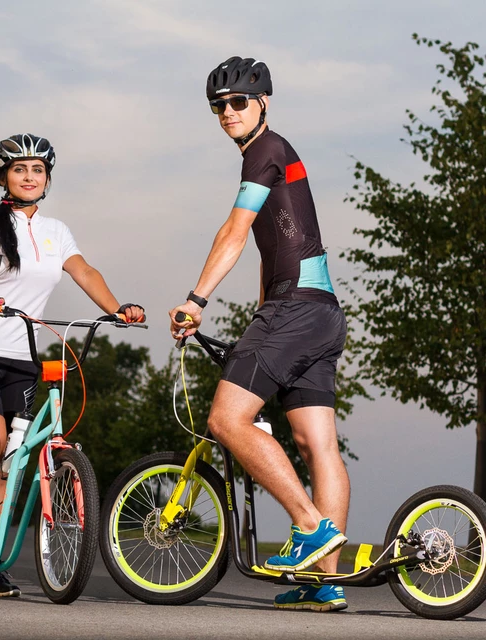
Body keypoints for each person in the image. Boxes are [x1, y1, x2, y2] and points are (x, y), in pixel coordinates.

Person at [169, 58, 349, 612]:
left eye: (238, 102)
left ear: (263, 102)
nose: (227, 113)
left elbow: (236, 230)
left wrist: (197, 299)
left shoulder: (265, 151)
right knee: (316, 445)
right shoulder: (276, 156)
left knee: (226, 420)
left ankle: (309, 526)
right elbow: (278, 243)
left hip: (294, 311)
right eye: (218, 106)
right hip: (320, 312)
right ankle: (325, 583)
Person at [0, 133, 144, 597]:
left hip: (22, 359)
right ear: (4, 177)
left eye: (37, 170)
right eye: (19, 170)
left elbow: (84, 271)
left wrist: (116, 309)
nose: (29, 177)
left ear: (47, 178)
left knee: (6, 470)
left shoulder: (56, 231)